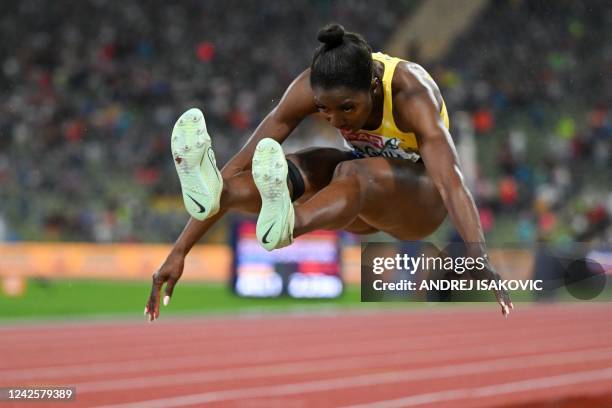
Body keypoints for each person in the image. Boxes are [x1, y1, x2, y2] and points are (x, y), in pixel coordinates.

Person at [144, 24, 513, 321]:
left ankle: (289, 222)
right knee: (306, 162)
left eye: (347, 109)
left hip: (421, 206)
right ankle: (227, 196)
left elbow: (451, 184)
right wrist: (180, 250)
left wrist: (480, 258)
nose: (334, 118)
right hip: (360, 202)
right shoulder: (311, 85)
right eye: (324, 109)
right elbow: (242, 162)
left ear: (372, 86)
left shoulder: (410, 94)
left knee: (353, 171)